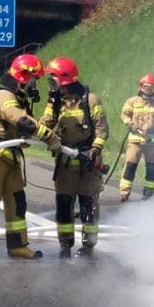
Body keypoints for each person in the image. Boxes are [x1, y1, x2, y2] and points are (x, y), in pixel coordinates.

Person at [0, 53, 64, 260]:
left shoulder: (18, 98)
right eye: (33, 79)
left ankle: (18, 245)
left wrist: (50, 107)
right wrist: (48, 137)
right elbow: (20, 120)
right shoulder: (4, 97)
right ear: (22, 76)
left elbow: (28, 125)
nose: (34, 84)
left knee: (17, 202)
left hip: (10, 155)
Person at [40, 57, 109, 257]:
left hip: (88, 164)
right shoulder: (55, 101)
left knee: (88, 205)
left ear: (65, 78)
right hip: (65, 163)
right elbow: (45, 123)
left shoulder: (91, 100)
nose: (50, 83)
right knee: (63, 204)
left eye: (53, 78)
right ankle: (65, 245)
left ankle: (88, 246)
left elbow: (102, 130)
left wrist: (94, 151)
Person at [119, 73, 154, 201]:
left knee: (151, 168)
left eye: (153, 87)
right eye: (147, 87)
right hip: (135, 141)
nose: (150, 89)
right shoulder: (132, 101)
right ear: (141, 87)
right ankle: (124, 192)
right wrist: (130, 124)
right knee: (130, 165)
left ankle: (148, 194)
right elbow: (124, 115)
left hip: (153, 142)